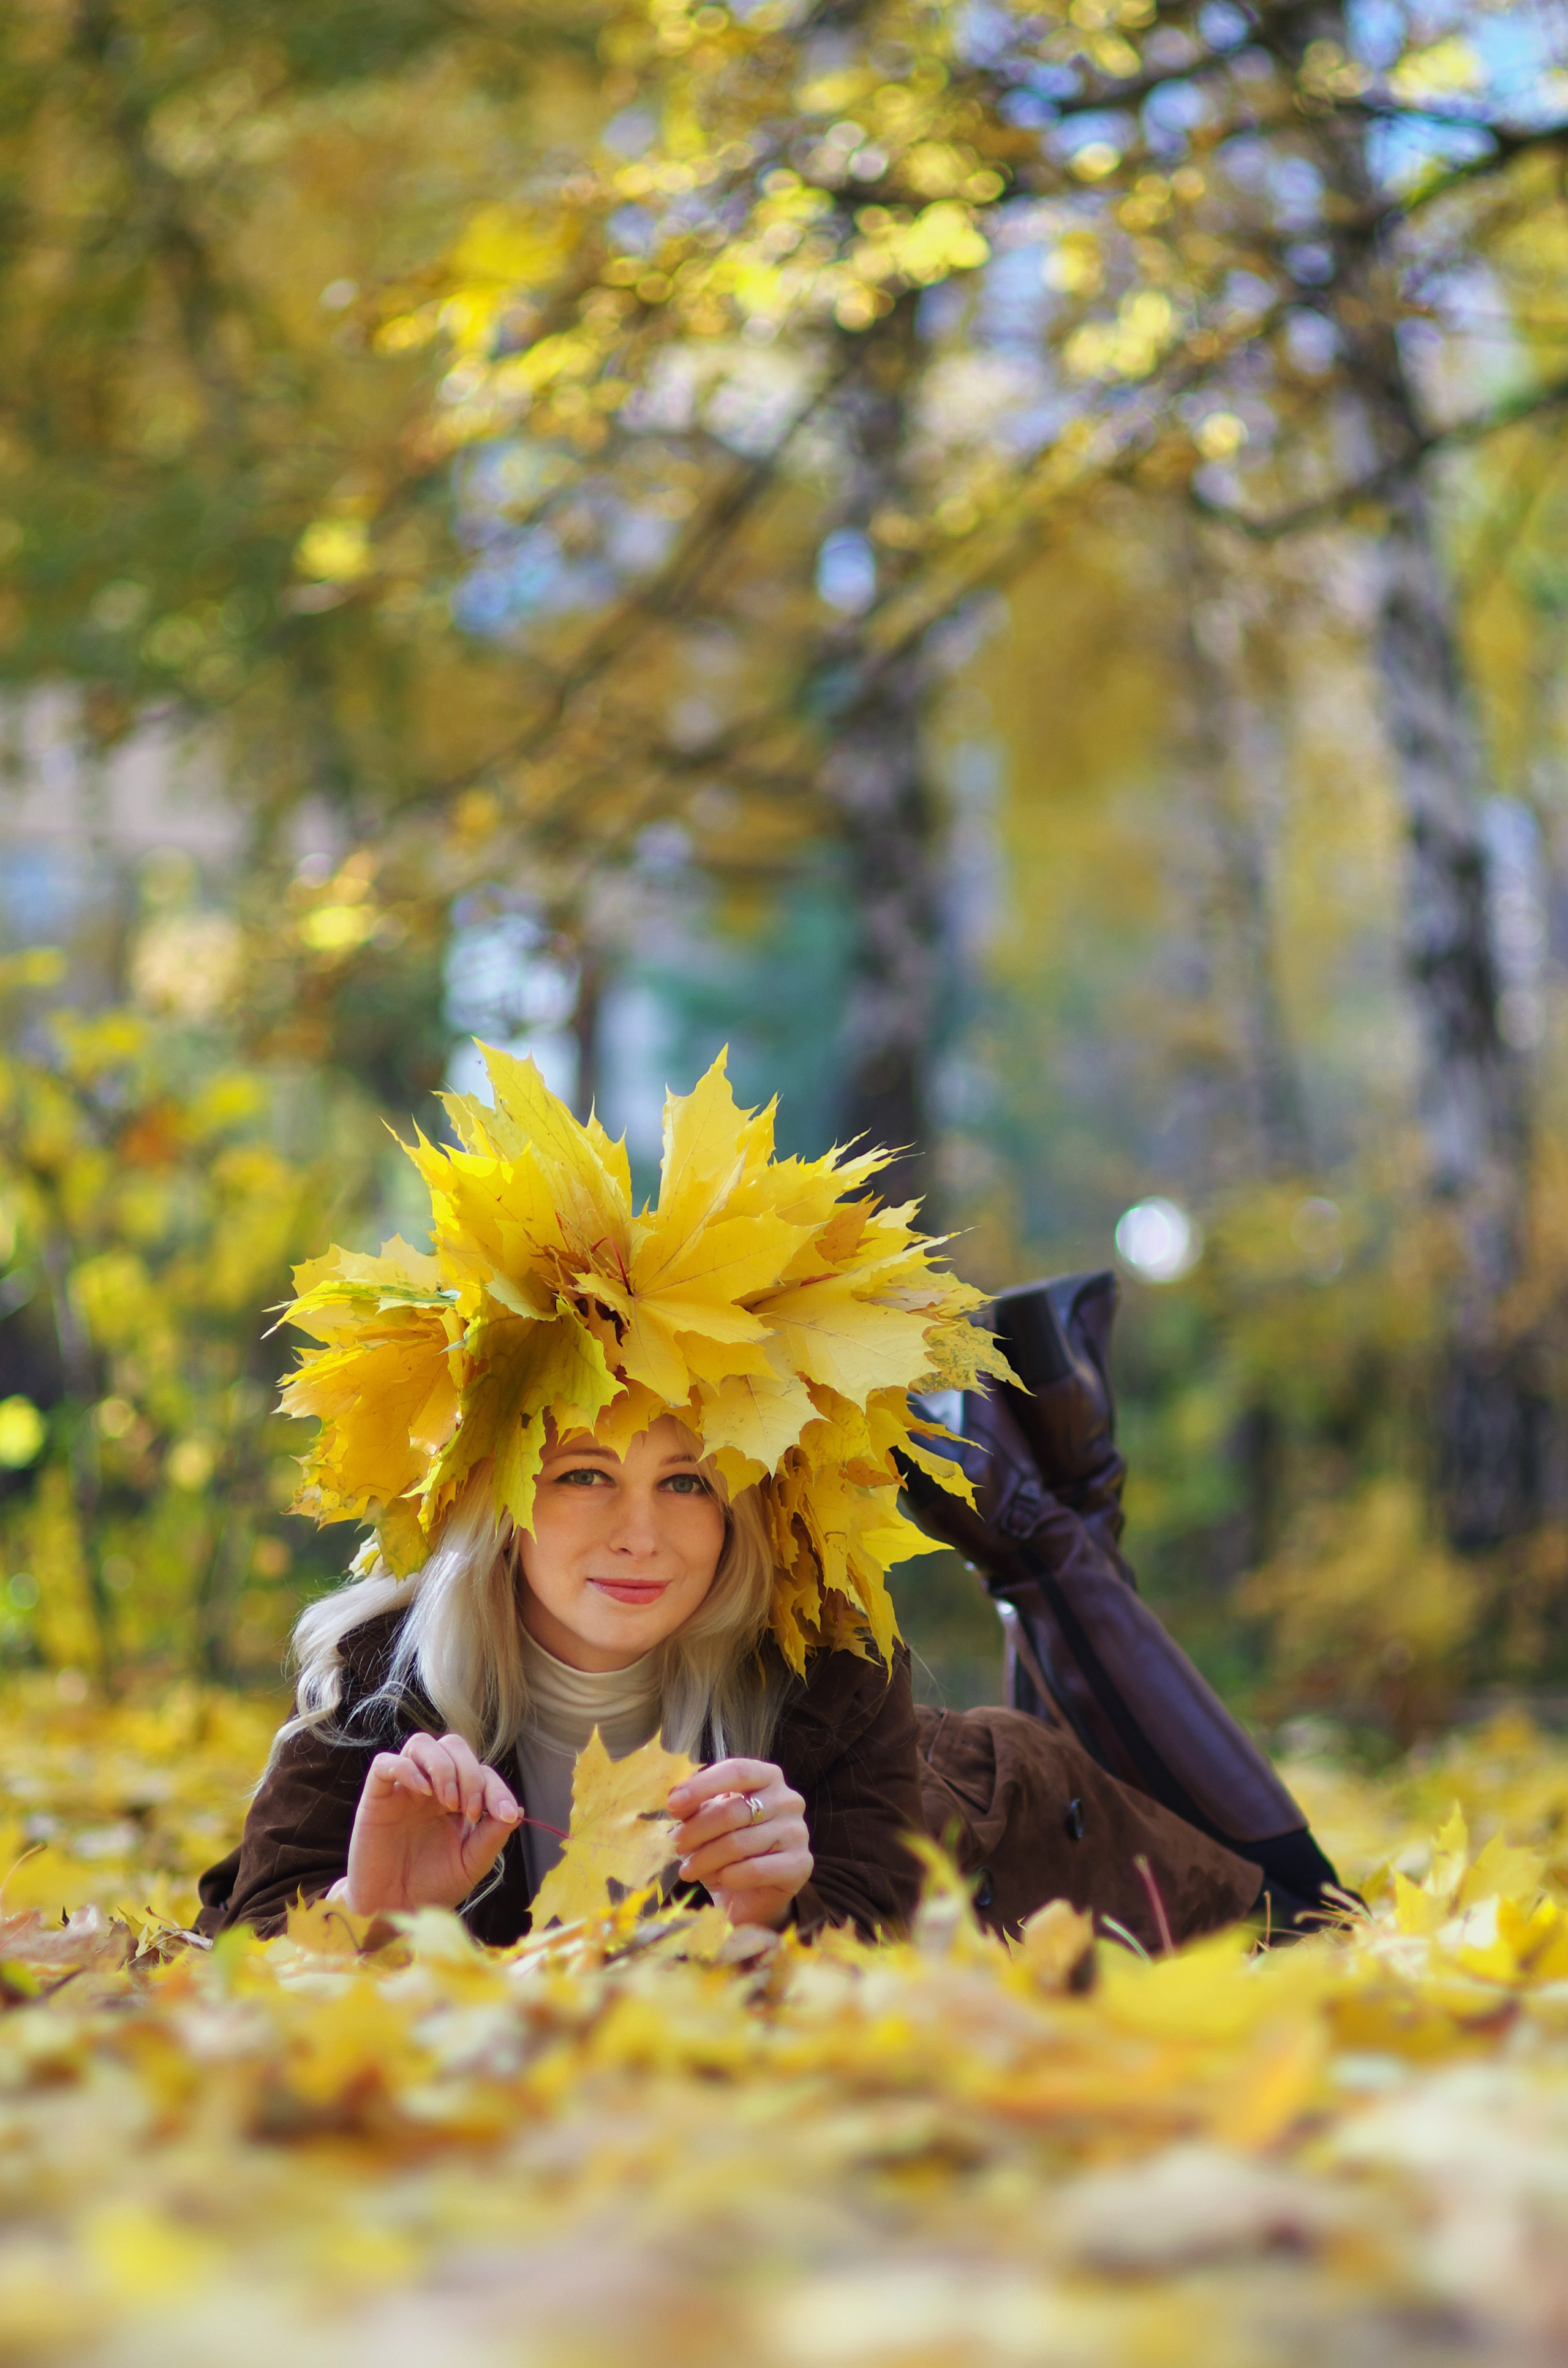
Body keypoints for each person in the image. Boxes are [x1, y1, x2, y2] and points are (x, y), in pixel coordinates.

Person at [198, 1049, 1302, 1954]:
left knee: (1299, 1902)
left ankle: (1036, 1522)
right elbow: (244, 1938)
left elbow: (874, 1944)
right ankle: (1027, 1483)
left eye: (689, 1481)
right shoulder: (386, 1685)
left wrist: (782, 1916)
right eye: (586, 1475)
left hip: (1024, 1828)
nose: (641, 1529)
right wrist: (374, 1918)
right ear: (504, 1497)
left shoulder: (828, 1663)